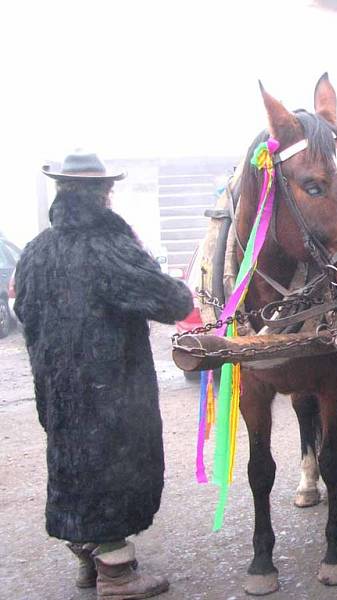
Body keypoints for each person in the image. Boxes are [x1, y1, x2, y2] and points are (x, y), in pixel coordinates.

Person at [13, 150, 193, 598]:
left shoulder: (36, 251)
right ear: (103, 194)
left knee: (72, 465)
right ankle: (117, 571)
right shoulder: (108, 246)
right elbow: (172, 302)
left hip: (55, 389)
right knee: (115, 467)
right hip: (113, 392)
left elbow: (22, 313)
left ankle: (88, 558)